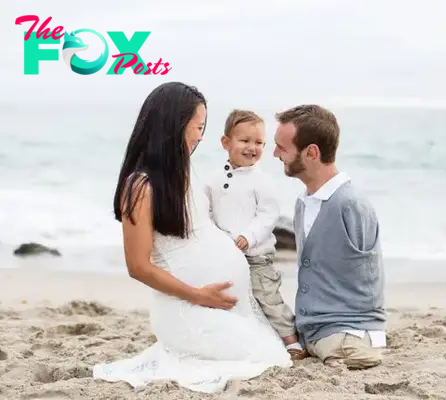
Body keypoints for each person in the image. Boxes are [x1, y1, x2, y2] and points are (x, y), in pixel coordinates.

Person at [92, 82, 292, 393]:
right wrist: (197, 295)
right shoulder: (140, 186)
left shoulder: (184, 171)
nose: (201, 136)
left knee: (273, 352)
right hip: (188, 307)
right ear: (174, 124)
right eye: (198, 127)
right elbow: (138, 266)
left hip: (219, 304)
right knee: (267, 358)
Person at [273, 104, 387, 369]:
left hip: (348, 330)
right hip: (313, 327)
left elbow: (370, 279)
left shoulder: (350, 204)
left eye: (282, 147)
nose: (275, 153)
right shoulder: (305, 202)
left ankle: (344, 349)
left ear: (311, 153)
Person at [204, 109, 306, 359]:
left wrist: (249, 236)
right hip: (225, 255)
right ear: (226, 143)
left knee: (266, 296)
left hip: (256, 255)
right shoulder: (214, 180)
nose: (252, 147)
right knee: (232, 298)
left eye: (259, 143)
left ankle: (291, 338)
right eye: (245, 141)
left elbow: (268, 215)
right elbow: (204, 211)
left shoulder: (261, 181)